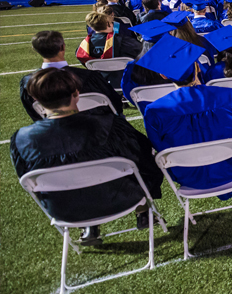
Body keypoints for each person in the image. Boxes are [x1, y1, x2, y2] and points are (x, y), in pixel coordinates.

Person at [10, 68, 164, 246]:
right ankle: (143, 212)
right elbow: (144, 159)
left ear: (35, 100)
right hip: (121, 198)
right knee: (143, 164)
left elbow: (28, 181)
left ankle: (90, 226)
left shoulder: (22, 140)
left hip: (64, 209)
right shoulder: (110, 126)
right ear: (77, 94)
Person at [141, 35, 232, 199]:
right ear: (197, 67)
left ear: (163, 75)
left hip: (190, 178)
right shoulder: (231, 96)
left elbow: (160, 147)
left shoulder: (154, 111)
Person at [19, 30, 122, 122]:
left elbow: (34, 114)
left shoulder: (28, 82)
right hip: (97, 128)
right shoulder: (89, 77)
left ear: (36, 50)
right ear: (62, 47)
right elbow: (115, 102)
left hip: (57, 133)